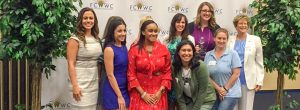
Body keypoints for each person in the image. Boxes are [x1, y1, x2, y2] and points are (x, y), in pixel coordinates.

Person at [127, 20, 171, 109]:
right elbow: (131, 75)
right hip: (139, 93)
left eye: (156, 31)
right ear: (143, 32)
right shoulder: (134, 50)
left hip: (158, 94)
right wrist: (143, 94)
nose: (154, 33)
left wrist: (160, 92)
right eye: (150, 31)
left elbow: (168, 72)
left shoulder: (163, 49)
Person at [227, 14, 264, 110]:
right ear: (236, 25)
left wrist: (259, 80)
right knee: (232, 108)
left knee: (247, 107)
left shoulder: (255, 40)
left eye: (245, 23)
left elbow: (259, 62)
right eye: (240, 23)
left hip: (248, 80)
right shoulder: (229, 40)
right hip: (232, 80)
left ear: (248, 25)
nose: (243, 25)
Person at [66, 7, 101, 110]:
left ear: (94, 20)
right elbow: (71, 63)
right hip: (80, 84)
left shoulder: (96, 38)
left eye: (91, 18)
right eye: (85, 18)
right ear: (80, 20)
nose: (88, 21)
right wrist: (75, 86)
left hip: (93, 84)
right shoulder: (74, 39)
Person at [161, 13, 195, 110]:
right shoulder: (166, 38)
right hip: (169, 72)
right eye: (178, 22)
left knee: (182, 102)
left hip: (184, 72)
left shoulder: (190, 38)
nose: (181, 24)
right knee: (170, 102)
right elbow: (163, 56)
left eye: (183, 22)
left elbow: (192, 56)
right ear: (174, 23)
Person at [204, 28, 241, 110]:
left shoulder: (233, 54)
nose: (221, 41)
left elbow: (236, 74)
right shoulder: (208, 55)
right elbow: (206, 76)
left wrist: (224, 89)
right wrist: (219, 89)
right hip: (214, 93)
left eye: (224, 38)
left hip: (230, 93)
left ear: (227, 40)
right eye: (219, 38)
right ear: (214, 38)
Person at [173, 40, 216, 110]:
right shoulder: (175, 67)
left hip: (205, 100)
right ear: (178, 52)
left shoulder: (200, 66)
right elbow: (178, 93)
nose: (186, 53)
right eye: (183, 50)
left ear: (193, 52)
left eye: (189, 50)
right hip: (190, 100)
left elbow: (202, 92)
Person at [101, 16, 130, 110]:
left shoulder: (124, 47)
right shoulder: (109, 49)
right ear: (112, 32)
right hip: (113, 91)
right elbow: (110, 75)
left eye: (124, 30)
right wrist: (119, 96)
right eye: (119, 31)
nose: (123, 33)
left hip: (124, 90)